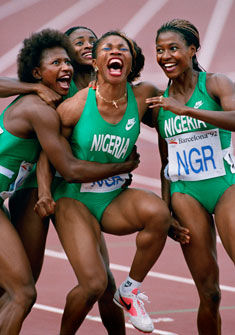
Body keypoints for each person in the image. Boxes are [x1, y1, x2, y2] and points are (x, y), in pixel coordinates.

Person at [36, 30, 185, 334]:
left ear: (131, 62)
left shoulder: (143, 96)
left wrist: (170, 192)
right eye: (107, 48)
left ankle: (130, 291)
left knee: (158, 213)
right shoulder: (76, 105)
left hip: (113, 198)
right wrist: (42, 191)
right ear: (96, 62)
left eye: (123, 49)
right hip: (74, 198)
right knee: (94, 284)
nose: (115, 52)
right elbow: (46, 153)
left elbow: (171, 129)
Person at [0, 28, 139, 335]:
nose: (87, 48)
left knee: (99, 283)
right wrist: (124, 166)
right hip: (34, 193)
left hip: (73, 195)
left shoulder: (93, 93)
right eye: (77, 45)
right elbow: (71, 167)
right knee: (20, 291)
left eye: (93, 42)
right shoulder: (42, 104)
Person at [146, 19, 235, 335]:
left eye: (173, 48)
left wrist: (189, 111)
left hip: (225, 186)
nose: (165, 56)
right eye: (160, 50)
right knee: (209, 293)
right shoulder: (160, 105)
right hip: (186, 194)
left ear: (193, 50)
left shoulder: (215, 84)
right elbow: (165, 162)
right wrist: (166, 210)